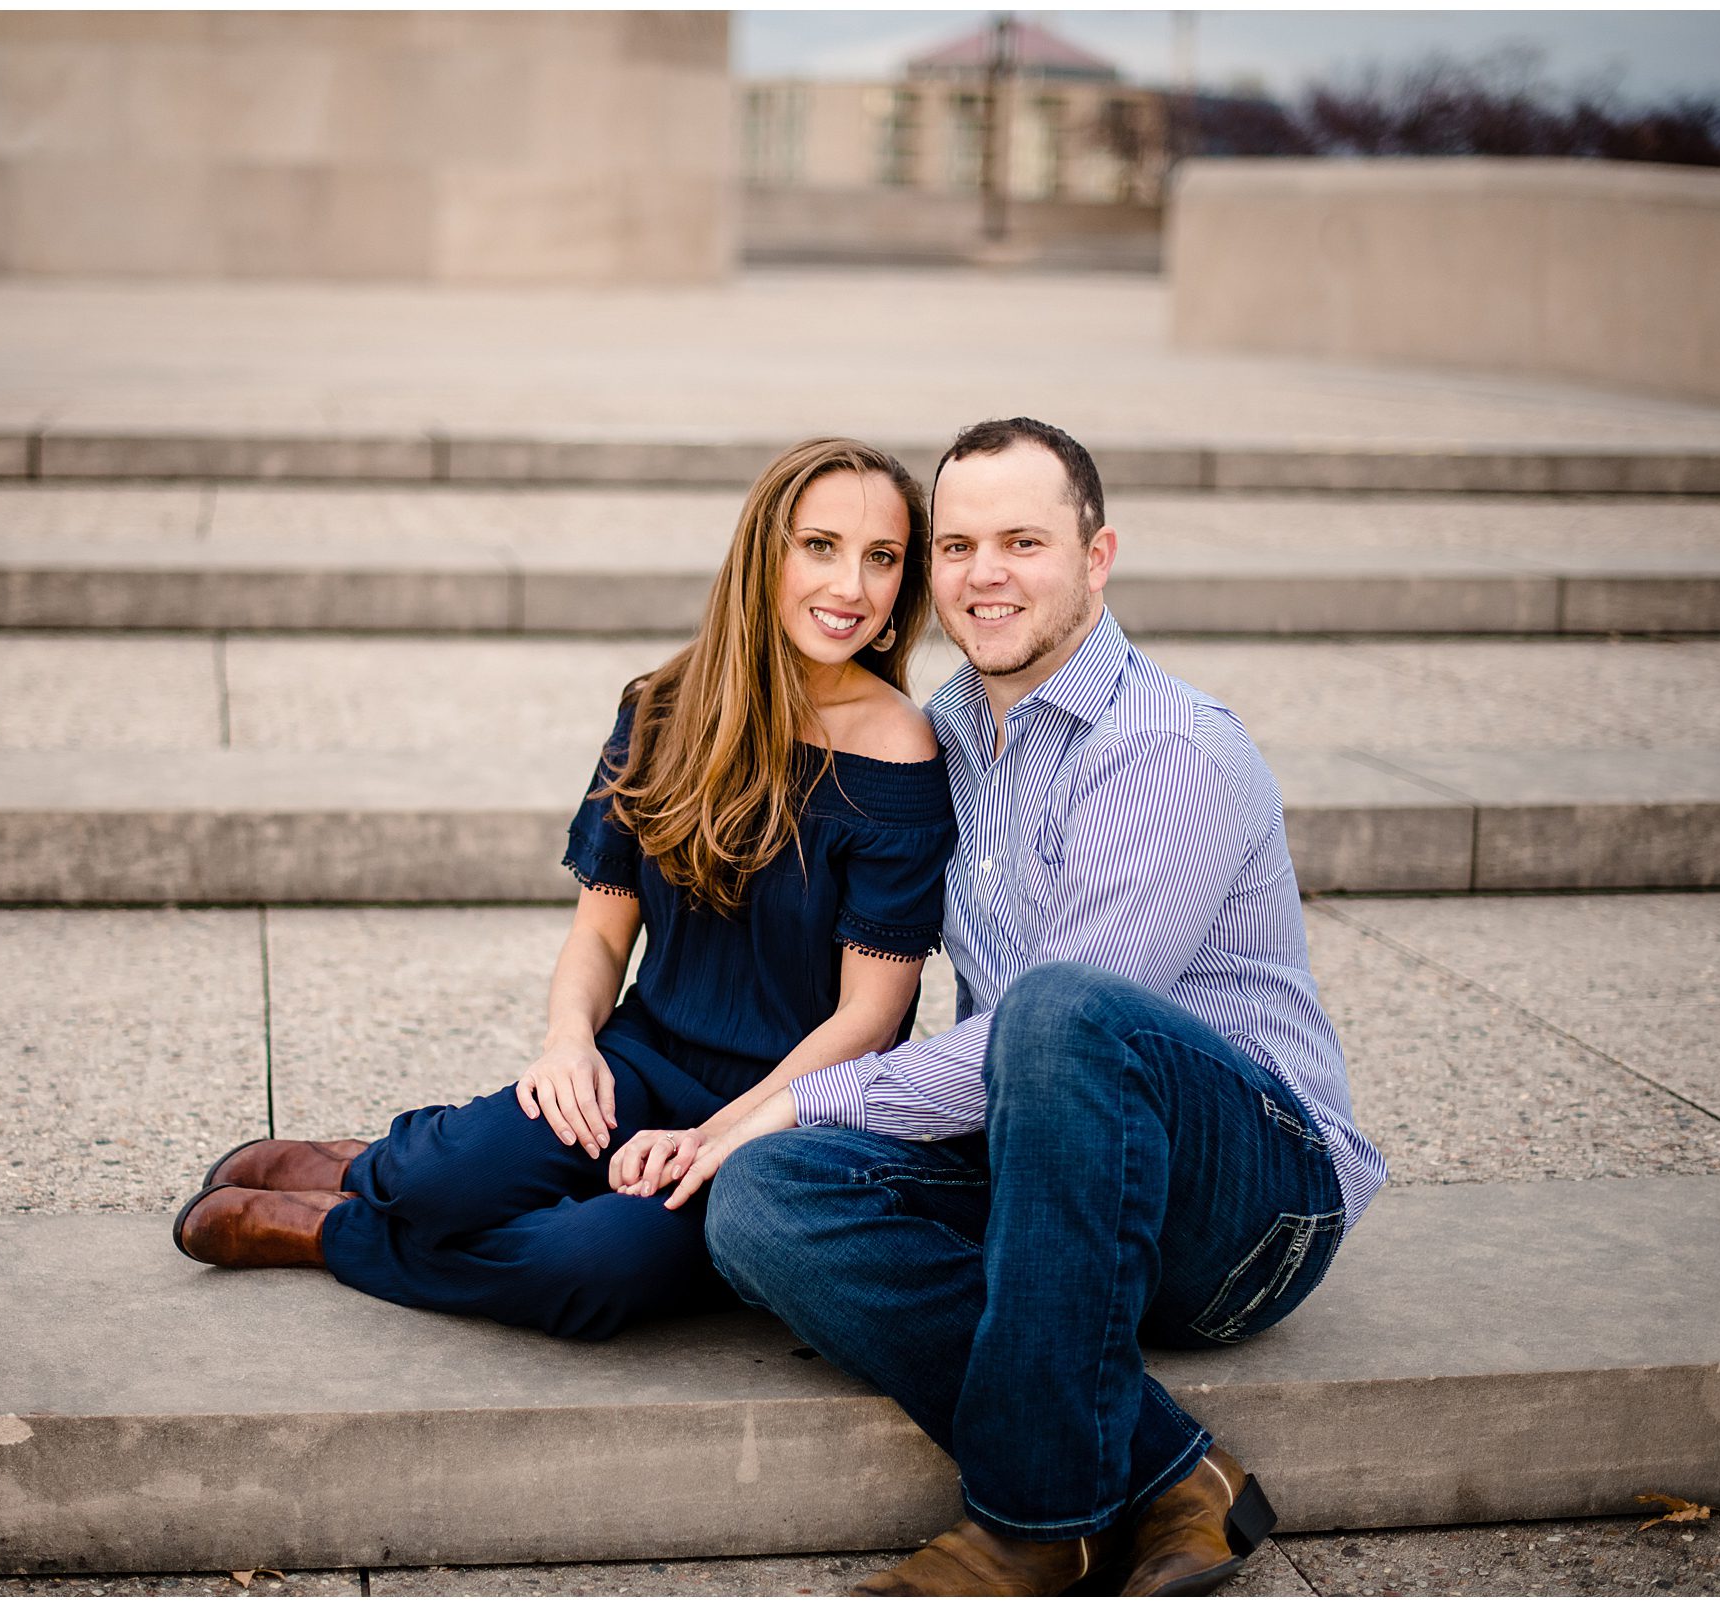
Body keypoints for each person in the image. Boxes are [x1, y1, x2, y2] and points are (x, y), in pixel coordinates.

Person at [626, 418, 1386, 1595]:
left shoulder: (1170, 748)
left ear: (1097, 555)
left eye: (1024, 540)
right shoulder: (950, 738)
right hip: (1058, 1175)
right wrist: (754, 1119)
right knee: (764, 1196)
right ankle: (1177, 1471)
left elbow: (1051, 1028)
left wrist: (801, 1095)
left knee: (1059, 1008)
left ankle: (1037, 1521)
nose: (986, 574)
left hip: (1248, 1209)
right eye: (960, 545)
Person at [171, 437, 957, 1344]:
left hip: (787, 1116)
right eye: (820, 545)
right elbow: (600, 933)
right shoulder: (666, 708)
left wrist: (712, 1138)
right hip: (642, 1059)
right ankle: (372, 1169)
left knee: (585, 1269)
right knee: (443, 1182)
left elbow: (867, 1019)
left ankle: (327, 1227)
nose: (850, 586)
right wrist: (568, 1042)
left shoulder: (900, 754)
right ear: (764, 555)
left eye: (882, 557)